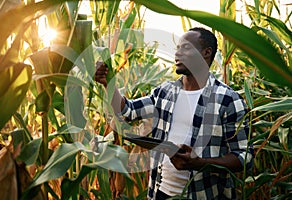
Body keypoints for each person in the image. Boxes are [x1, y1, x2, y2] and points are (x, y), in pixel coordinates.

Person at [95, 27, 253, 200]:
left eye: (185, 48)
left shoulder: (228, 100)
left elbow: (244, 157)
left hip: (203, 195)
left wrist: (199, 163)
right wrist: (108, 83)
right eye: (177, 48)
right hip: (160, 192)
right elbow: (128, 112)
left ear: (206, 53)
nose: (177, 53)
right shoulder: (165, 92)